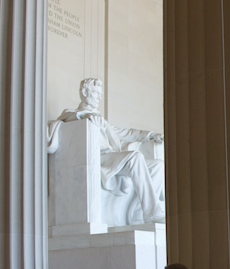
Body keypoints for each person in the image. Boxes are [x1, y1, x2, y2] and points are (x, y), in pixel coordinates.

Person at [48, 78, 165, 225]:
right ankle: (153, 213)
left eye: (101, 94)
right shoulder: (72, 114)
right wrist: (85, 116)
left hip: (113, 158)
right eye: (96, 93)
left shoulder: (101, 120)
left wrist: (151, 135)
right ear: (85, 92)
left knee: (158, 166)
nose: (100, 97)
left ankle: (138, 213)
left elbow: (126, 133)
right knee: (135, 157)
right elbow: (65, 118)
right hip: (97, 158)